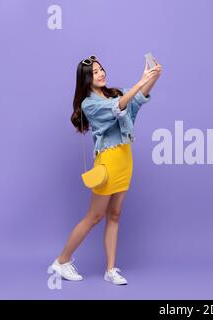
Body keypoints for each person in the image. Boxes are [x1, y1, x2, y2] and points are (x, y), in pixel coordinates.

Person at [50, 54, 162, 285]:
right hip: (108, 162)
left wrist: (152, 77)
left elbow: (137, 99)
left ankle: (110, 270)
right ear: (86, 80)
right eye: (94, 72)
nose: (100, 74)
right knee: (94, 216)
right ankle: (61, 261)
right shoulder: (89, 104)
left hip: (124, 159)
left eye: (101, 69)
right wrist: (140, 82)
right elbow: (117, 108)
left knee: (115, 215)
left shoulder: (116, 92)